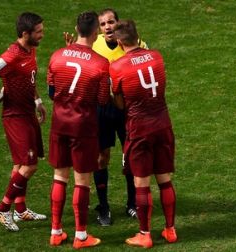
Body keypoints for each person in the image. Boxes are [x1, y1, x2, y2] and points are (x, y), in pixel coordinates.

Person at [64, 8, 148, 226]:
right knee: (102, 158)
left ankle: (132, 204)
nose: (108, 27)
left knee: (131, 156)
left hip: (127, 109)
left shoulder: (134, 44)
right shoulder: (95, 44)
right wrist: (70, 50)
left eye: (111, 22)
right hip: (102, 109)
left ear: (119, 23)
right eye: (103, 24)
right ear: (98, 29)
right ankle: (103, 207)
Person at [110, 20, 177, 248]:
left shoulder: (117, 66)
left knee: (141, 184)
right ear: (138, 37)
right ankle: (170, 230)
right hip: (163, 123)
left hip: (139, 129)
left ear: (119, 42)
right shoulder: (156, 56)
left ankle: (145, 234)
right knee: (165, 180)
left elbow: (120, 105)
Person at [0, 12, 47, 232]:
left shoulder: (31, 49)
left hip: (28, 113)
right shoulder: (12, 55)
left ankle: (21, 210)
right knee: (29, 165)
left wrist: (38, 100)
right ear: (25, 33)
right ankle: (2, 208)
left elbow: (31, 78)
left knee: (20, 165)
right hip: (15, 117)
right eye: (38, 32)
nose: (42, 35)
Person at [47, 11, 110, 249]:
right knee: (82, 181)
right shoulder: (101, 64)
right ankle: (81, 236)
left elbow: (52, 93)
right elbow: (103, 100)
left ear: (76, 28)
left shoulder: (56, 56)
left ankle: (55, 232)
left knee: (59, 176)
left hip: (59, 124)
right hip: (83, 127)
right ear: (96, 33)